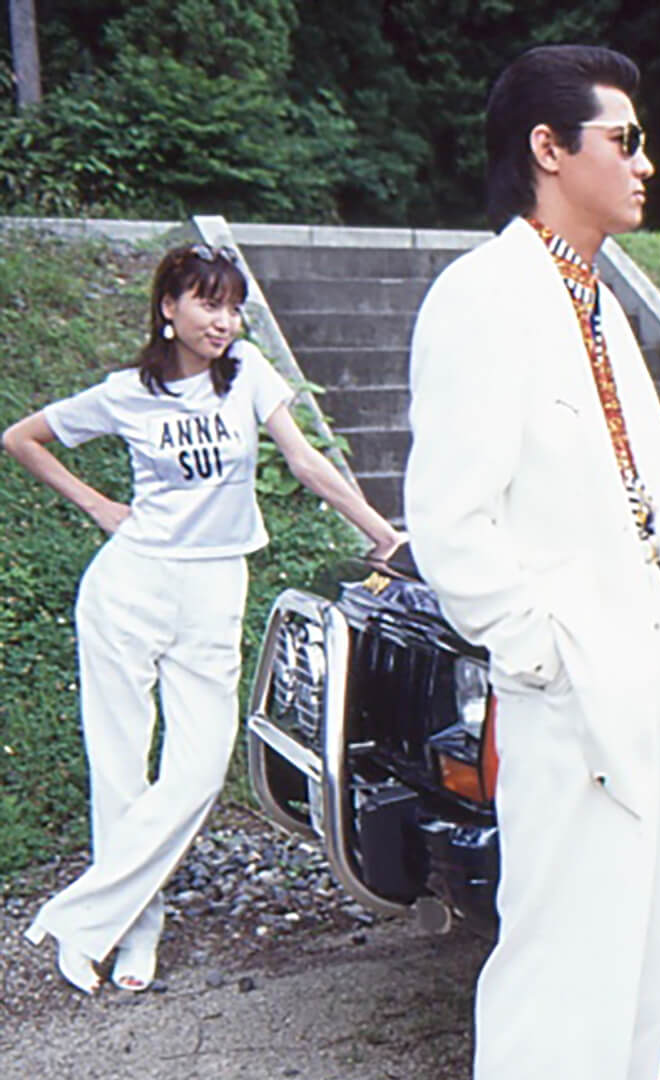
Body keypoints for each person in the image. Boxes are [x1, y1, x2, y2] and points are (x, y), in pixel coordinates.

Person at [403, 44, 660, 1080]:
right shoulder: (482, 295)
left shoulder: (595, 297)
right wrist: (542, 657)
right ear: (548, 148)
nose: (646, 164)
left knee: (645, 972)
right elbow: (451, 519)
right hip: (574, 696)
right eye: (624, 141)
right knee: (559, 980)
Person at [4, 243, 402, 995]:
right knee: (120, 768)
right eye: (209, 304)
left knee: (197, 769)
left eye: (233, 307)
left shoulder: (247, 372)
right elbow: (21, 438)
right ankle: (132, 931)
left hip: (215, 589)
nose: (225, 321)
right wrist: (99, 506)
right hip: (131, 586)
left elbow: (306, 461)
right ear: (169, 306)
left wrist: (381, 533)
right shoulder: (126, 393)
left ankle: (76, 918)